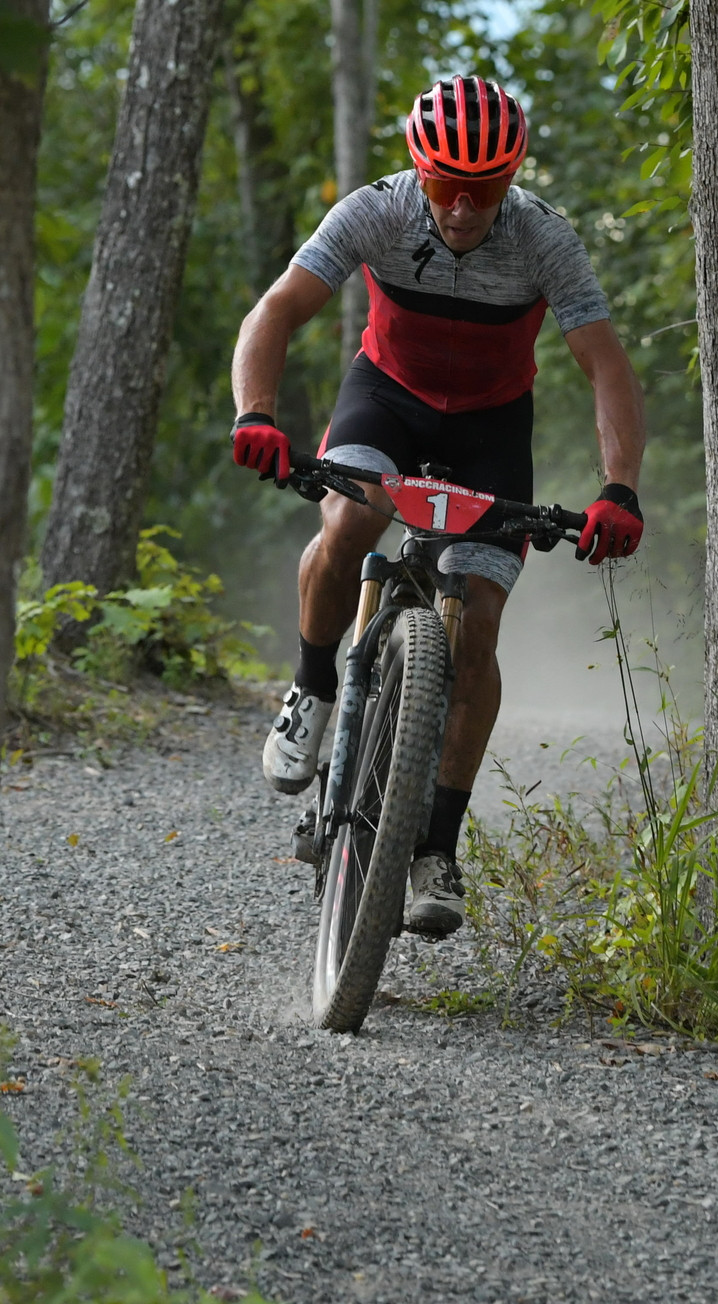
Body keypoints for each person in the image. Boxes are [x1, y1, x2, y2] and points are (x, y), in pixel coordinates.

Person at [225, 75, 647, 938]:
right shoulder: (375, 211)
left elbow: (604, 363)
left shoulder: (544, 238)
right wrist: (256, 414)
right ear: (418, 172)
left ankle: (436, 849)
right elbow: (277, 309)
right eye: (445, 184)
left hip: (492, 429)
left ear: (511, 179)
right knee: (350, 521)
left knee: (479, 624)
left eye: (483, 188)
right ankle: (310, 691)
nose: (460, 206)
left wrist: (620, 488)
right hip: (389, 397)